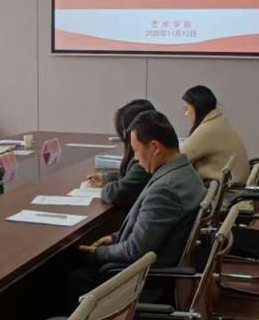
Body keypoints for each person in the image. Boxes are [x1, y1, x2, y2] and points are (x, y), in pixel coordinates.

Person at [73, 111, 204, 295]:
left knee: (70, 272)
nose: (135, 157)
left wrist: (97, 253)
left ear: (155, 147)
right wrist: (115, 238)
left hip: (144, 281)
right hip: (160, 263)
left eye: (136, 150)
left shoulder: (165, 190)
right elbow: (152, 231)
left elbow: (135, 251)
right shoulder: (185, 172)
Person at [87, 99, 155, 209]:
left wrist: (105, 189)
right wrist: (106, 178)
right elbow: (130, 178)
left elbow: (119, 193)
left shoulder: (143, 161)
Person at [180, 85, 248, 184]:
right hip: (231, 186)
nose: (185, 114)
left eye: (187, 109)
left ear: (197, 108)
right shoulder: (218, 121)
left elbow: (179, 158)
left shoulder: (209, 129)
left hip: (225, 190)